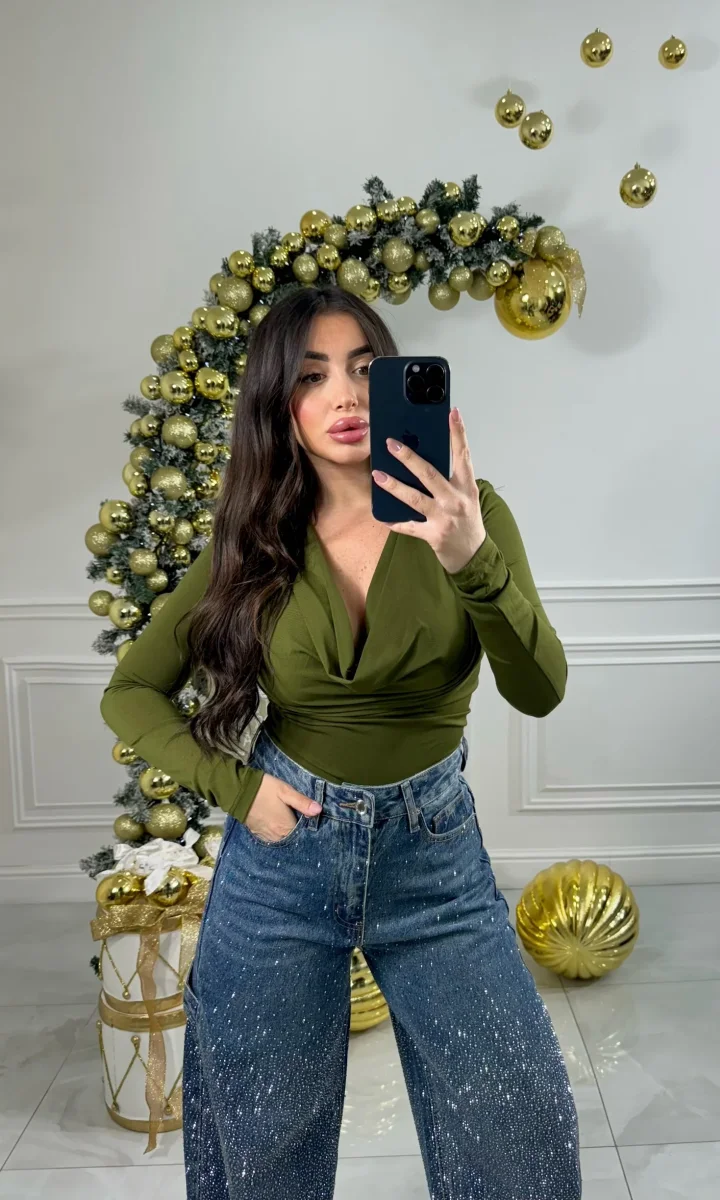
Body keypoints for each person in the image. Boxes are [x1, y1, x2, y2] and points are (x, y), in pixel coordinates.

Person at [99, 284, 581, 1199]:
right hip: (281, 861)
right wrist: (240, 791)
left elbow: (540, 689)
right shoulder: (254, 538)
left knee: (519, 1131)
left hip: (432, 857)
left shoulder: (472, 513)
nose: (347, 396)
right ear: (280, 402)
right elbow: (130, 693)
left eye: (365, 369)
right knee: (262, 1150)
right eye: (313, 376)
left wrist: (470, 557)